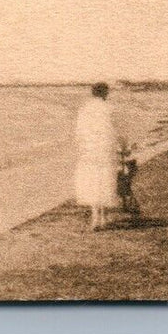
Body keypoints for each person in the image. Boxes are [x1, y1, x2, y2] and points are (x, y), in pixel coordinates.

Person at [74, 82, 120, 231]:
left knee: (92, 181)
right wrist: (122, 147)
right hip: (105, 148)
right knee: (105, 180)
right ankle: (103, 217)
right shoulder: (109, 108)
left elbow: (79, 132)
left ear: (92, 93)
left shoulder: (84, 109)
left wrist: (81, 147)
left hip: (89, 149)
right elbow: (115, 131)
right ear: (105, 93)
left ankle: (95, 218)